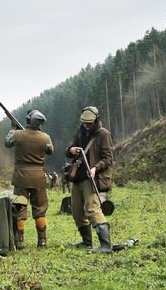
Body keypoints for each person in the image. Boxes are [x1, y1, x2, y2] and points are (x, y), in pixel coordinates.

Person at [65, 105, 114, 253]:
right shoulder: (81, 131)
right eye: (84, 122)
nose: (86, 125)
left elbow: (108, 159)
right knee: (77, 211)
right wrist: (71, 150)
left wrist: (95, 168)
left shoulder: (104, 134)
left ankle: (105, 245)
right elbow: (71, 150)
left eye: (89, 123)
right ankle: (87, 242)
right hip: (78, 177)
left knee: (92, 208)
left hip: (93, 178)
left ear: (96, 120)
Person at [5, 110, 54, 248]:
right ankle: (42, 240)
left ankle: (19, 241)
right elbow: (50, 150)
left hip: (21, 177)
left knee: (20, 208)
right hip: (38, 177)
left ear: (28, 120)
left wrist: (13, 129)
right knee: (40, 209)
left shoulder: (17, 134)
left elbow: (7, 142)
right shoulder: (46, 137)